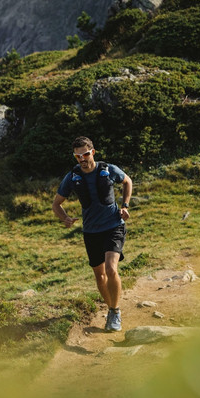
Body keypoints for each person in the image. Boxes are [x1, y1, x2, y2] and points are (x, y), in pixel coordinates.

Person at [51, 136, 132, 332]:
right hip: (91, 231)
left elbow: (127, 181)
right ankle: (111, 308)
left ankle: (114, 312)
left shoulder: (108, 169)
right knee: (100, 276)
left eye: (85, 154)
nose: (82, 159)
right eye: (78, 156)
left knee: (112, 269)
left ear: (92, 152)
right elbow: (56, 204)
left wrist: (125, 206)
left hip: (113, 225)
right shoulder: (72, 177)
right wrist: (65, 219)